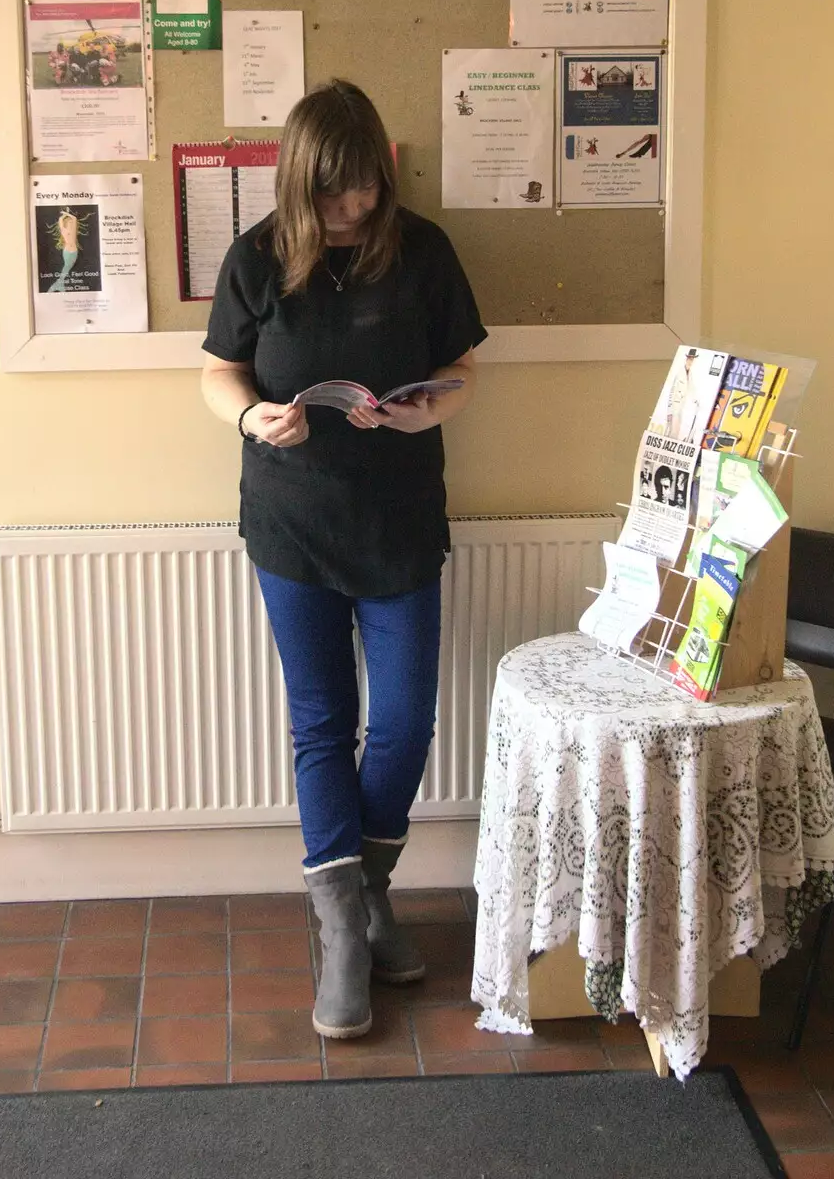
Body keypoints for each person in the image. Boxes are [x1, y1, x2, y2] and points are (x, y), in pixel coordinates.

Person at [200, 80, 486, 1041]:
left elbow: (463, 369)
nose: (351, 209)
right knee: (322, 722)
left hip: (400, 519)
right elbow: (215, 372)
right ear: (297, 183)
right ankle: (341, 926)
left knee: (404, 722)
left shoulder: (425, 251)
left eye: (363, 189)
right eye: (331, 194)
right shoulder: (256, 259)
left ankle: (365, 895)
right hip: (290, 523)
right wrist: (250, 415)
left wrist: (429, 406)